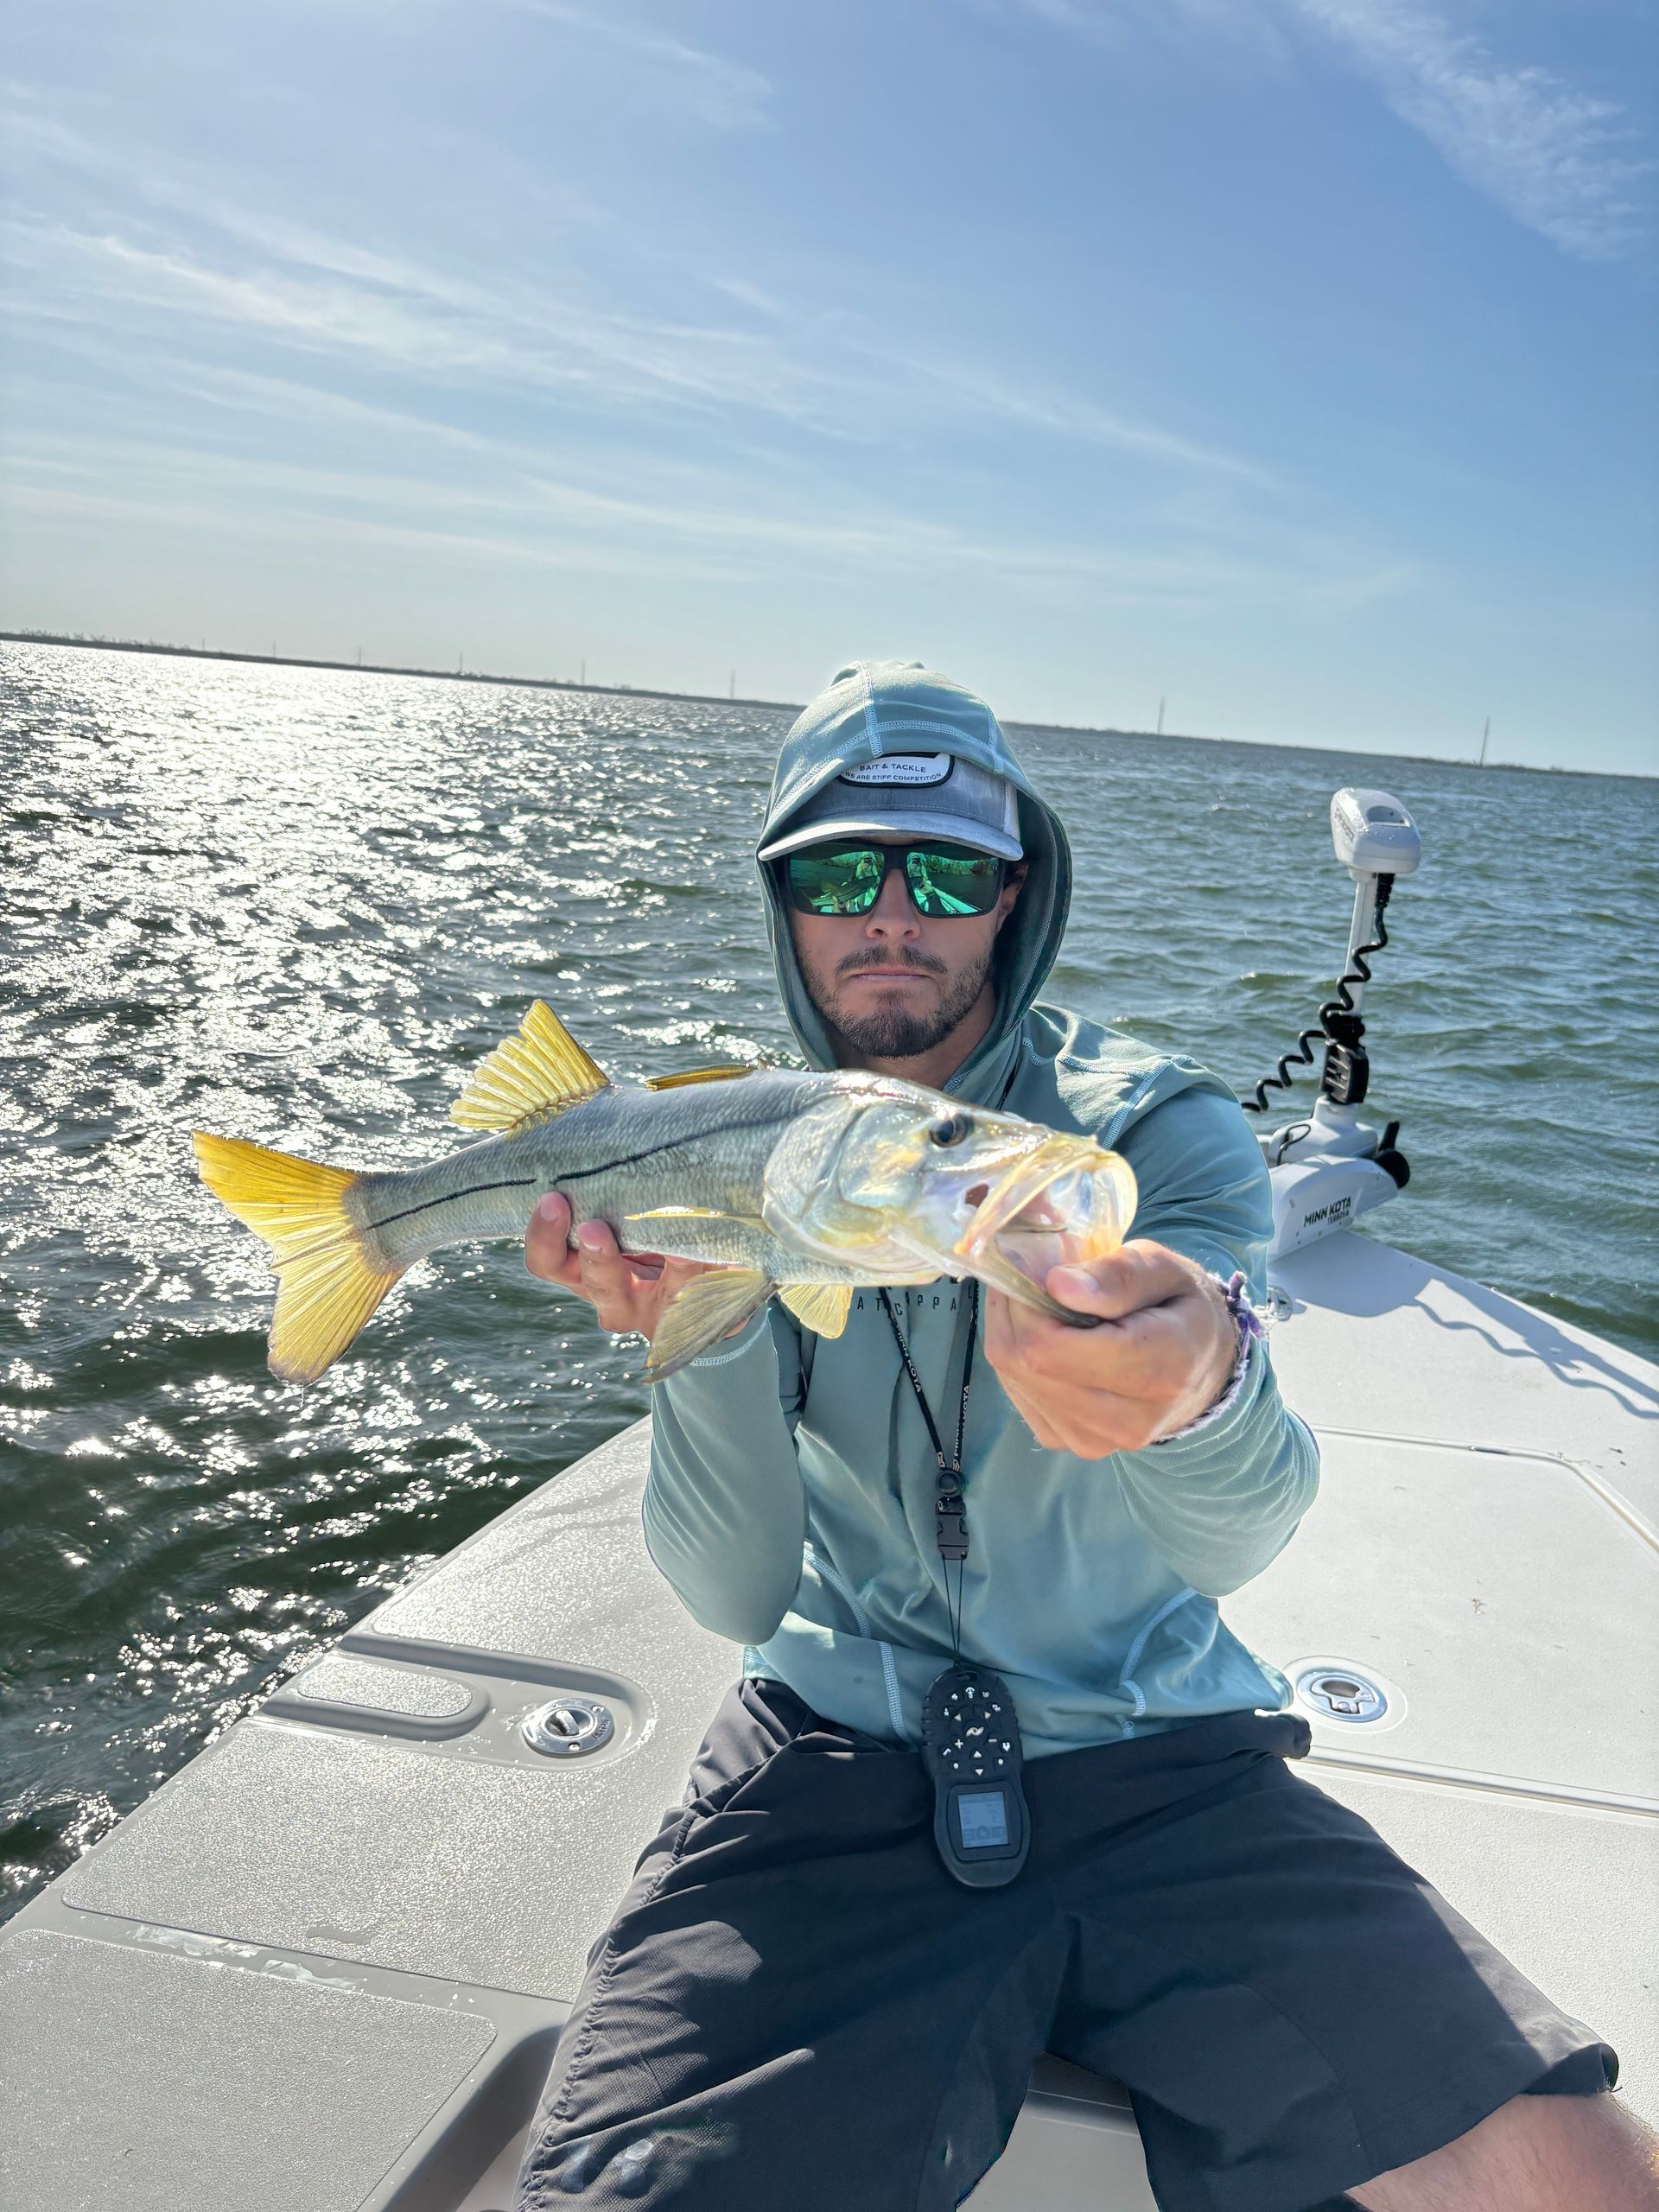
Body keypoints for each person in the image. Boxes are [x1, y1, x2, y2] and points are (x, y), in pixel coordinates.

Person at [515, 663, 1650, 2212]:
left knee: (1581, 2178)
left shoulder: (1146, 1135)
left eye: (950, 871)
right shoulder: (734, 1154)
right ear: (783, 903)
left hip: (1163, 1757)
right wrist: (687, 1334)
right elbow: (729, 1595)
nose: (892, 915)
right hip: (823, 1758)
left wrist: (1200, 1386)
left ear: (1017, 894)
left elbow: (1240, 1531)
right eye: (840, 870)